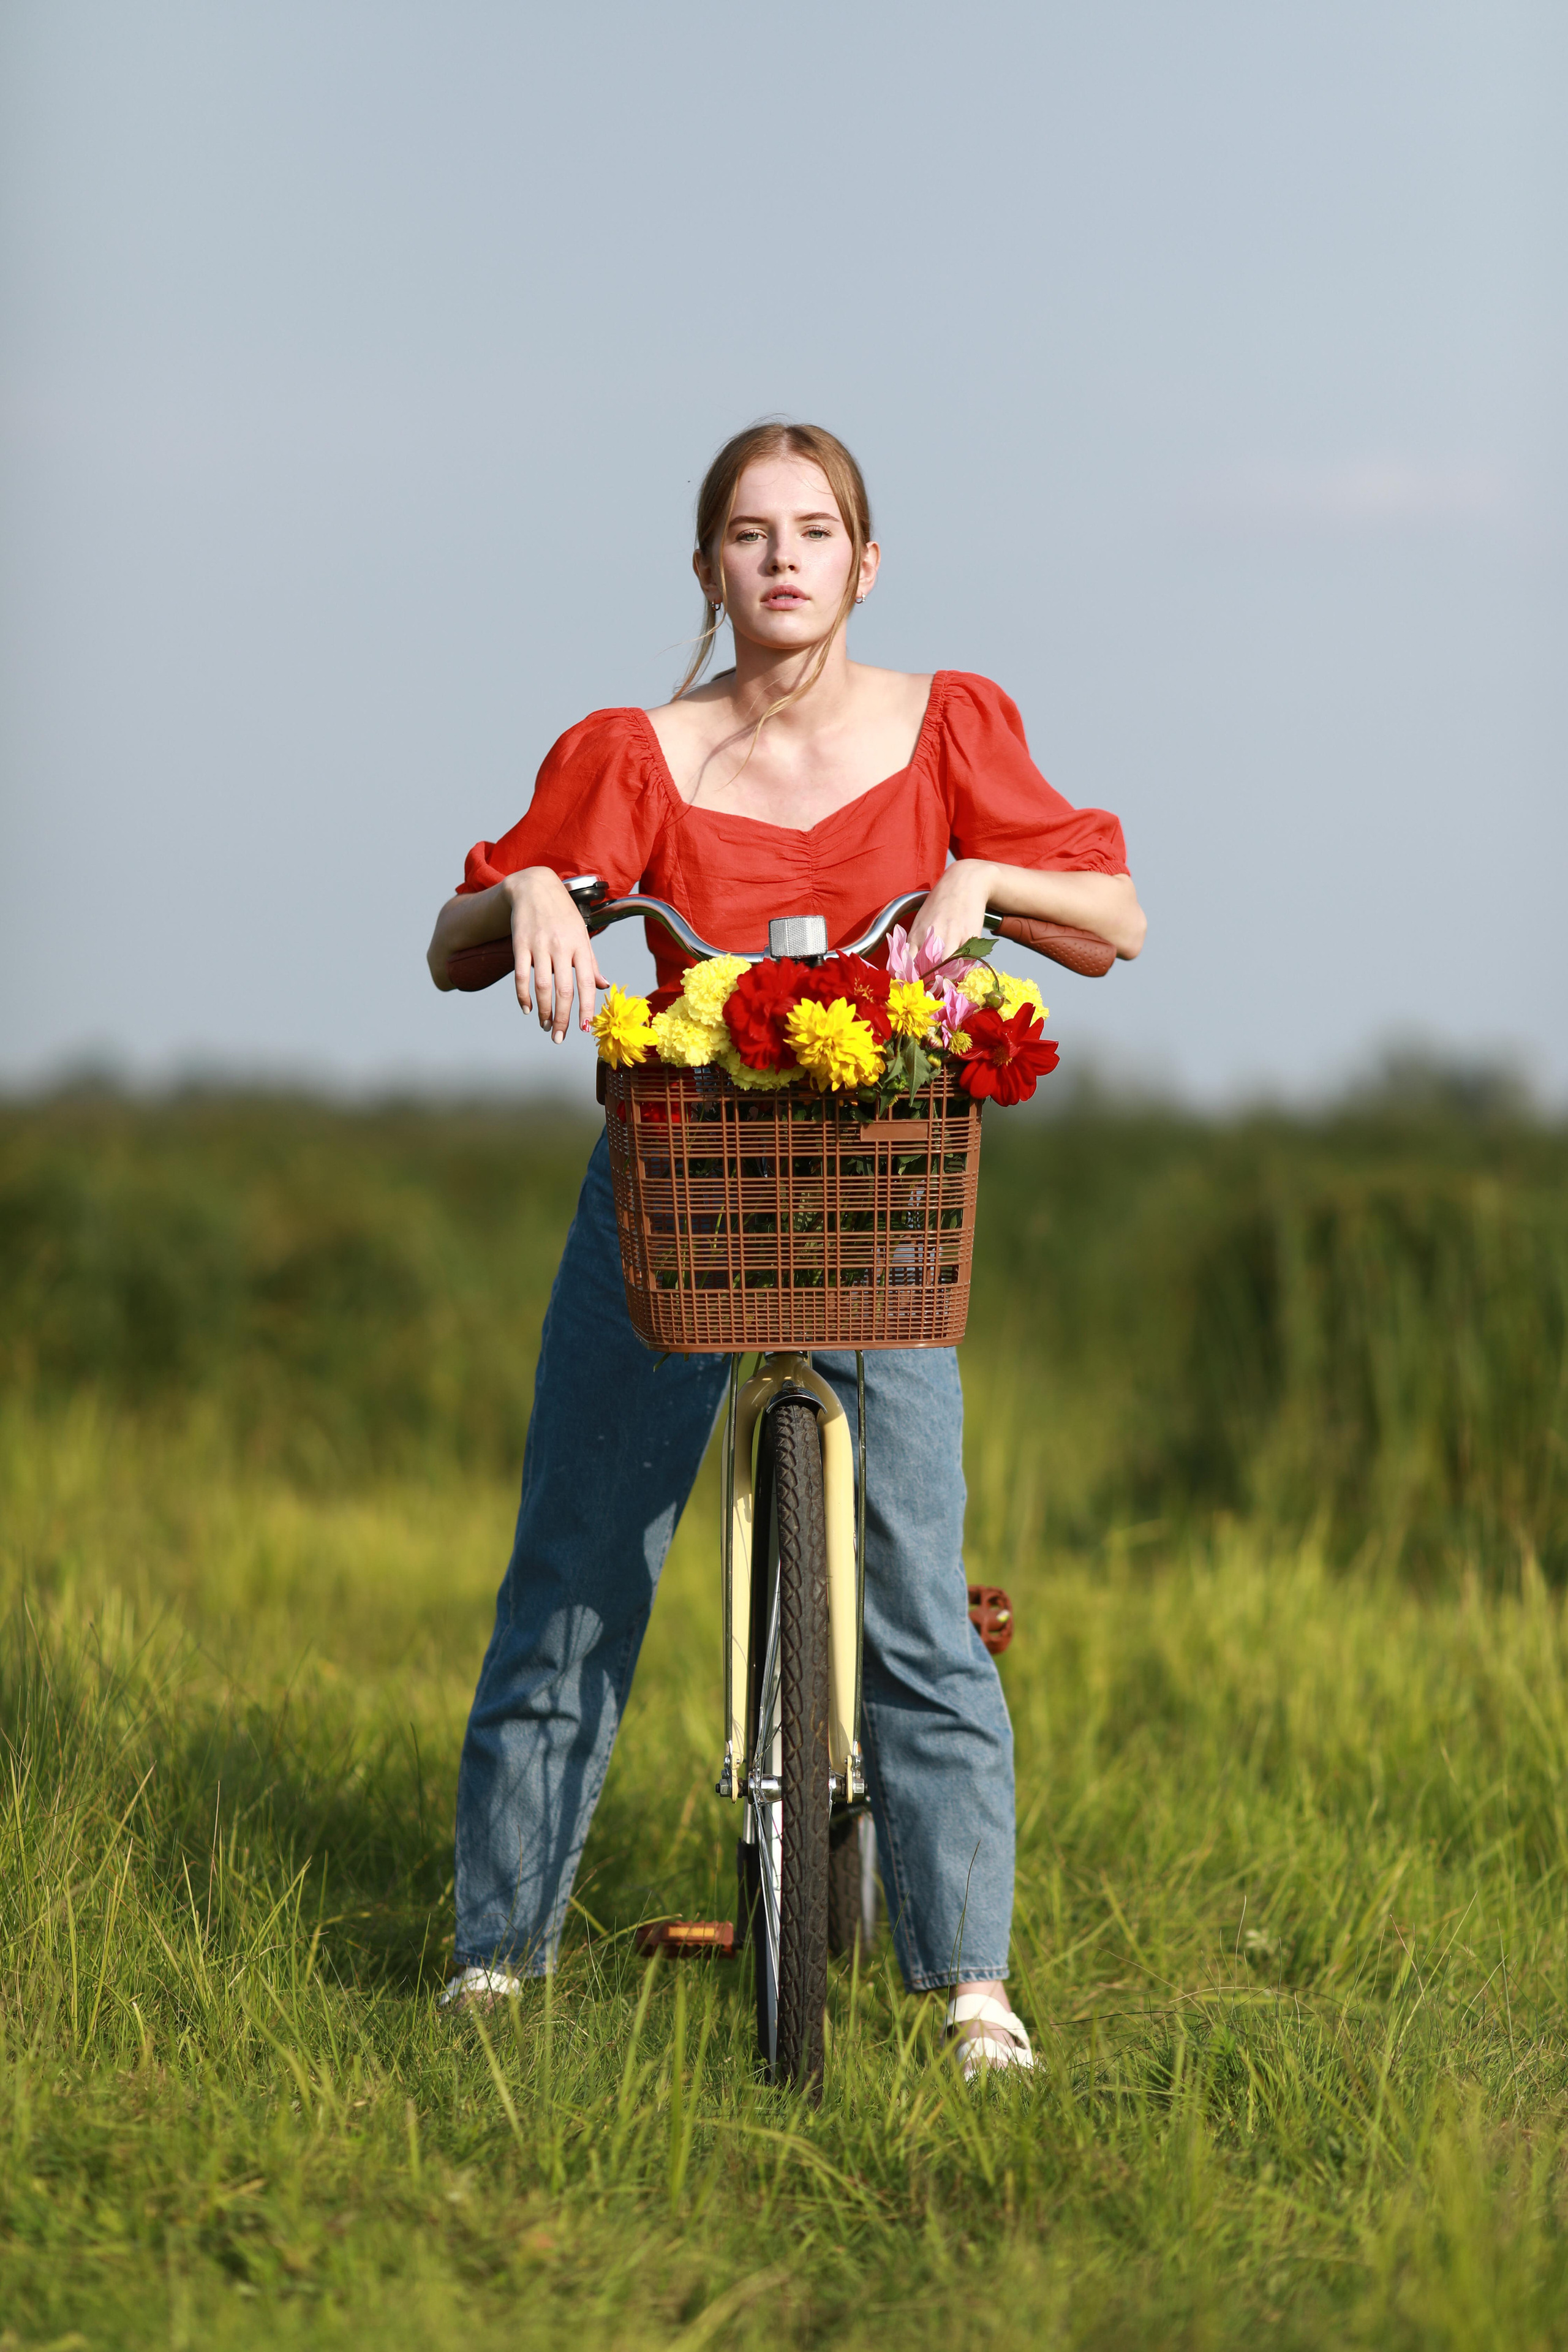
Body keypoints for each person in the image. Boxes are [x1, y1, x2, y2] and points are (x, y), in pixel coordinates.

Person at [426, 421, 1145, 2073]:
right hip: (675, 1191)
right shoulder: (637, 752)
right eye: (749, 535)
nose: (783, 559)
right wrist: (535, 887)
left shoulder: (949, 726)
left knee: (916, 1592)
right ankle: (495, 1961)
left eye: (816, 531)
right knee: (579, 1572)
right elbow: (450, 942)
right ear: (708, 571)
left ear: (865, 563)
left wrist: (983, 875)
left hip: (882, 1203)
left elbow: (1120, 915)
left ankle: (972, 1984)